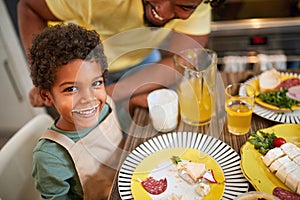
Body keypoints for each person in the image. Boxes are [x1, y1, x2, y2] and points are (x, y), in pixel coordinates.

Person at [18, 0, 225, 130]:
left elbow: (182, 61)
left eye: (183, 6)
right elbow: (29, 7)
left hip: (140, 60)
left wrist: (117, 94)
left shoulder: (198, 3)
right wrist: (43, 75)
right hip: (77, 71)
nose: (162, 9)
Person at [29, 23, 123, 199]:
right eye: (71, 89)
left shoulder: (107, 106)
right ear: (47, 96)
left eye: (96, 83)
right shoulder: (50, 157)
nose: (88, 98)